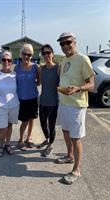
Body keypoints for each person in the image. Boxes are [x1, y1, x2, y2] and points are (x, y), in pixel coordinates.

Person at [55, 32, 95, 184]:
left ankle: (76, 170)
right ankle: (69, 156)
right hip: (64, 102)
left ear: (75, 42)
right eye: (62, 44)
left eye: (68, 42)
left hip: (77, 105)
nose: (65, 46)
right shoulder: (64, 59)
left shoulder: (83, 59)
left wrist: (78, 88)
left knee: (75, 137)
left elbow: (91, 83)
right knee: (65, 131)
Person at [0, 51, 19, 157]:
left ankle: (8, 144)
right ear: (1, 61)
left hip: (13, 105)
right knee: (3, 128)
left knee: (10, 125)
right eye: (4, 59)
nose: (6, 61)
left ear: (11, 62)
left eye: (9, 60)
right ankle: (1, 145)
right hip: (0, 106)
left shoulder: (15, 75)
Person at [14, 43, 40, 150]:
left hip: (33, 98)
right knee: (24, 121)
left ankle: (29, 138)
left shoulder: (36, 67)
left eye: (29, 54)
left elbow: (39, 82)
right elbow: (13, 83)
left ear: (32, 55)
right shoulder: (17, 68)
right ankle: (20, 139)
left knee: (31, 119)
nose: (26, 56)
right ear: (20, 54)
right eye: (24, 54)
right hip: (22, 99)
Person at [37, 44, 60, 157]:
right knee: (42, 124)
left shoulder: (58, 68)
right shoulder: (41, 69)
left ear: (52, 54)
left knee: (51, 125)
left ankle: (50, 145)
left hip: (53, 103)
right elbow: (39, 82)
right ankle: (47, 139)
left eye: (48, 53)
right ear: (42, 55)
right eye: (44, 53)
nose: (46, 55)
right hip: (42, 102)